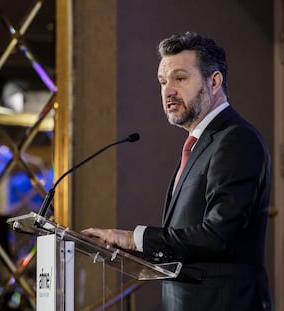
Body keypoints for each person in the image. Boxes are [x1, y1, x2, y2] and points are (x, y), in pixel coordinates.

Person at [81, 32, 273, 311]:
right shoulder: (200, 144)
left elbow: (219, 235)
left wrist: (134, 238)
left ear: (214, 81)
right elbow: (186, 240)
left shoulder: (236, 139)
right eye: (162, 81)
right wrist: (127, 248)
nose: (168, 90)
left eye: (180, 78)